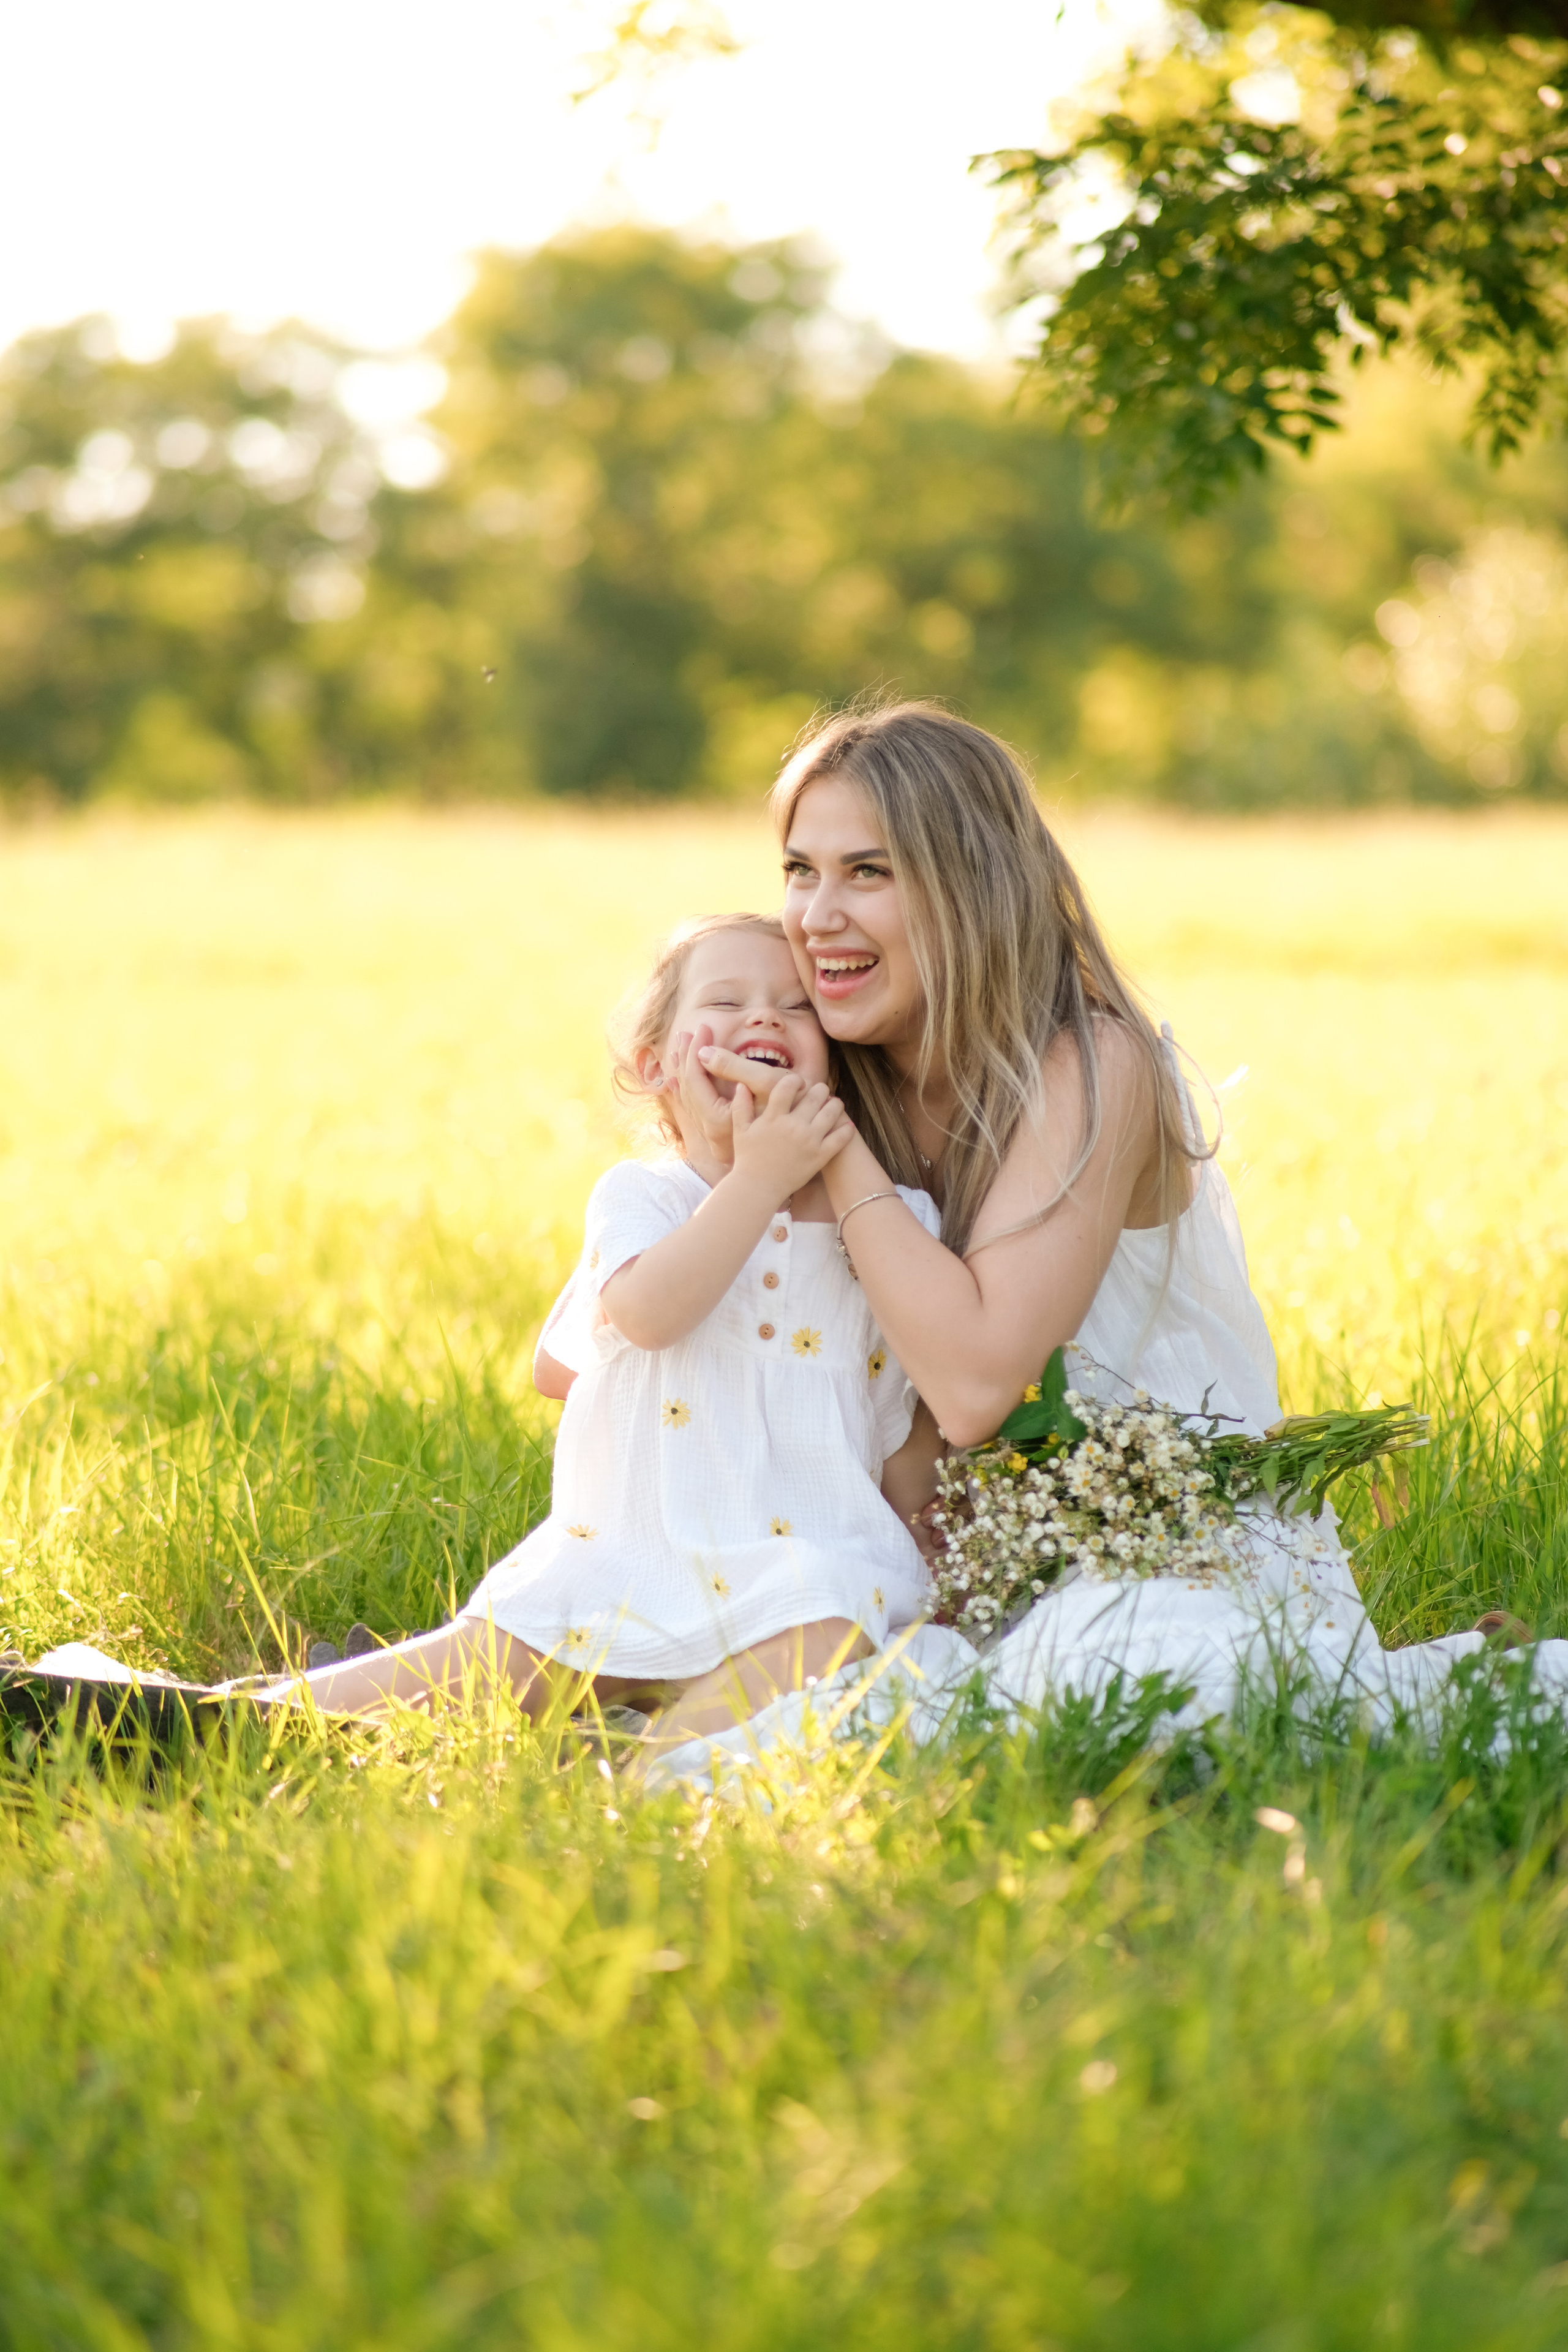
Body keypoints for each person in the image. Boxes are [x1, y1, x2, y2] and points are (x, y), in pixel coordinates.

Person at [644, 701, 1562, 1788]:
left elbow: (983, 1383)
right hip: (938, 1560)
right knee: (711, 1616)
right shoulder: (847, 1068)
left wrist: (834, 1157)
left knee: (1116, 1678)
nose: (815, 915)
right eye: (800, 871)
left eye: (869, 874)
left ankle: (1442, 1687)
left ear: (969, 884)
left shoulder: (1092, 1066)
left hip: (1166, 1547)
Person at [246, 911, 940, 1738]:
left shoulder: (894, 1223)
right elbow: (648, 1315)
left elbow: (904, 1425)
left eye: (795, 1010)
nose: (762, 1019)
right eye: (726, 1002)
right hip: (628, 1563)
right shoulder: (643, 1198)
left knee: (832, 1638)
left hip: (805, 1576)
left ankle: (640, 1764)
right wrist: (758, 1179)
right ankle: (226, 1716)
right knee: (472, 1672)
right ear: (657, 1067)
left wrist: (929, 1555)